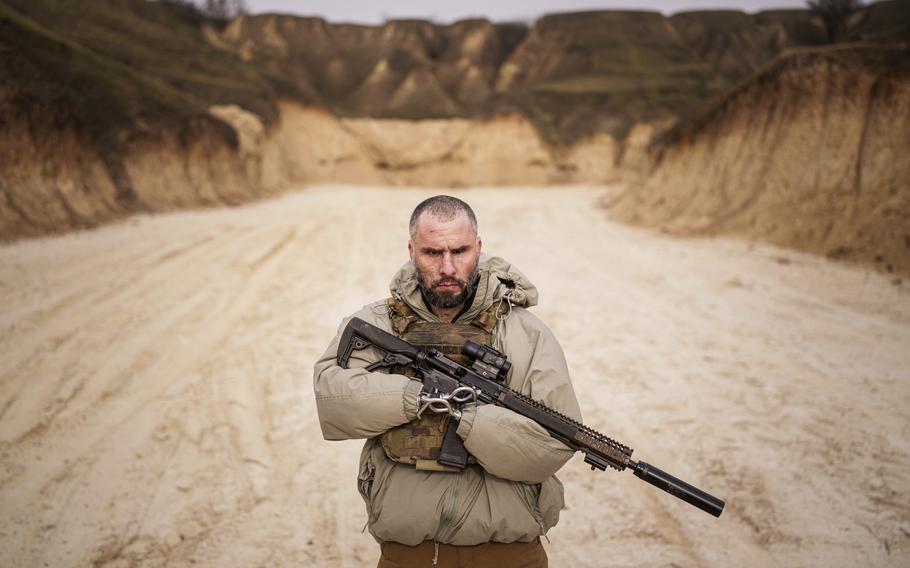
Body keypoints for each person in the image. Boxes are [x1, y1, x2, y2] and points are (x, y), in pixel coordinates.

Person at [313, 195, 582, 567]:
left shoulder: (527, 334)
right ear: (411, 250)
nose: (448, 266)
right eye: (432, 253)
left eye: (460, 250)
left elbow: (554, 443)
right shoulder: (378, 324)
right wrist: (421, 394)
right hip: (410, 556)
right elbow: (333, 399)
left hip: (510, 555)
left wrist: (464, 415)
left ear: (479, 247)